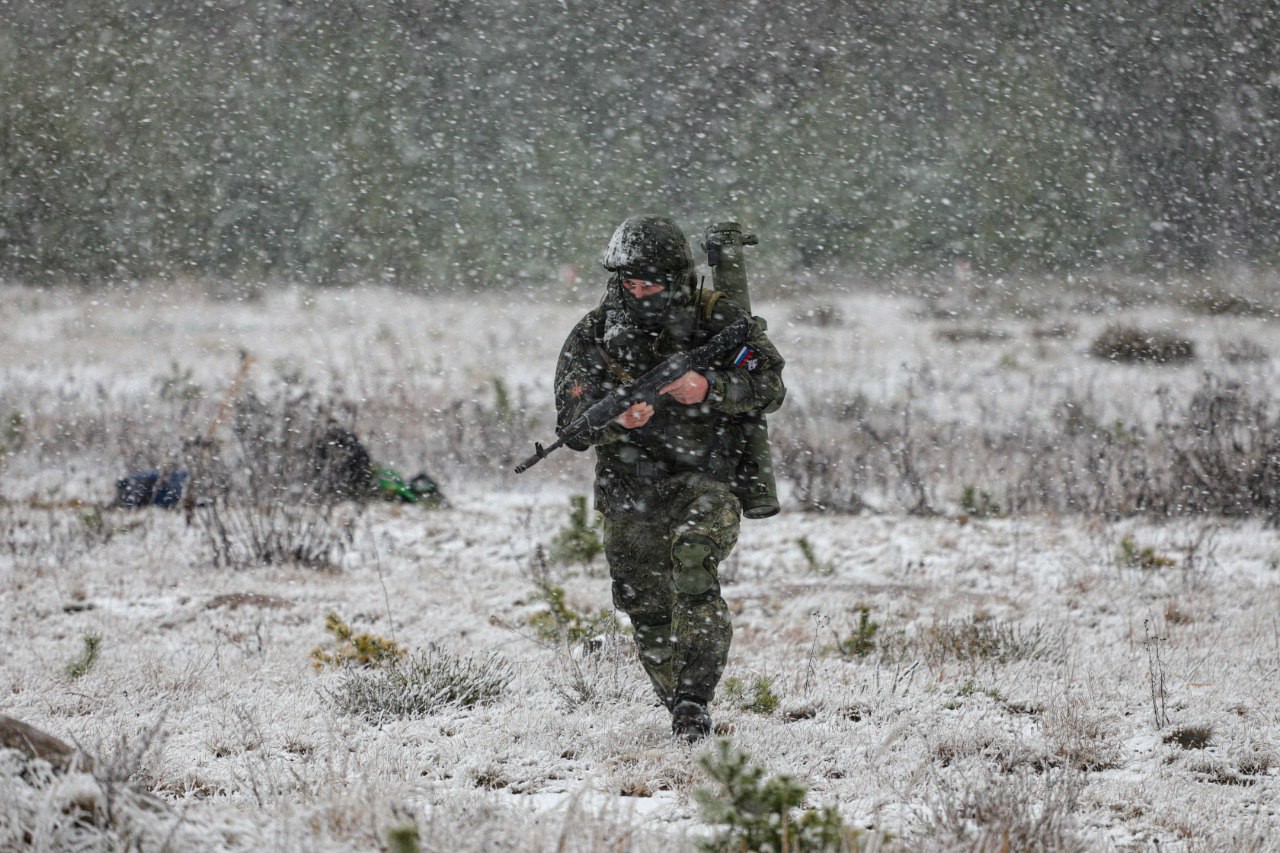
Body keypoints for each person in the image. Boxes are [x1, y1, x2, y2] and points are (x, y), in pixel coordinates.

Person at [553, 215, 786, 742]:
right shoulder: (594, 333)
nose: (638, 294)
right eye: (628, 284)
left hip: (708, 475)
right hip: (629, 486)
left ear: (674, 276)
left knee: (693, 564)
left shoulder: (717, 321)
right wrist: (613, 421)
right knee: (644, 603)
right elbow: (570, 422)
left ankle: (693, 698)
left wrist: (711, 386)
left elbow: (769, 385)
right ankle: (677, 705)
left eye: (649, 284)